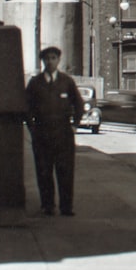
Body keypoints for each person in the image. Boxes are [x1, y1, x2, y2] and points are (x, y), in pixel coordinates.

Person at [25, 45, 82, 216]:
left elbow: (78, 104)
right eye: (47, 59)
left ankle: (66, 206)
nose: (50, 62)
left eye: (53, 58)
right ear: (42, 61)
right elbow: (26, 107)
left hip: (63, 133)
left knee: (65, 171)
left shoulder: (67, 82)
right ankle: (47, 205)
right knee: (44, 171)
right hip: (42, 133)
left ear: (58, 60)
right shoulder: (35, 83)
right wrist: (32, 128)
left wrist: (75, 125)